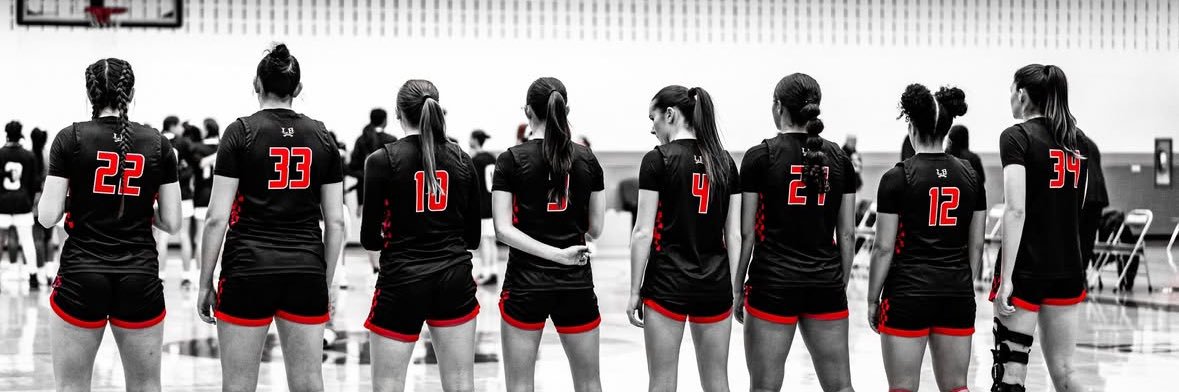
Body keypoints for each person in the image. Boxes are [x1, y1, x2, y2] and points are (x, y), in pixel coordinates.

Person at [195, 43, 346, 392]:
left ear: (256, 84)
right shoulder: (322, 136)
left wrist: (205, 282)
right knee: (309, 383)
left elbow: (216, 217)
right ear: (298, 88)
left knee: (238, 384)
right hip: (305, 268)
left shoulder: (239, 132)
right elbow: (336, 222)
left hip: (247, 267)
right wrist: (324, 282)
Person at [38, 57, 182, 391]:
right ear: (131, 93)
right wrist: (138, 204)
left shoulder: (69, 138)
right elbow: (172, 222)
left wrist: (84, 198)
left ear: (89, 93)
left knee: (72, 387)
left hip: (81, 273)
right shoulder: (158, 143)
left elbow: (47, 217)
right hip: (139, 274)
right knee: (146, 386)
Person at [732, 73, 857, 392]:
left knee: (764, 388)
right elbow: (847, 235)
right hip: (825, 282)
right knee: (841, 387)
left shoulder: (759, 157)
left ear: (778, 106)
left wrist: (737, 288)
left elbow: (747, 234)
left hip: (772, 284)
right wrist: (839, 283)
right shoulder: (840, 159)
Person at [361, 79, 481, 392]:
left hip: (402, 279)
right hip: (454, 278)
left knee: (388, 385)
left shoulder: (380, 160)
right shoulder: (463, 159)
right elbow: (473, 238)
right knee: (460, 383)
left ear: (398, 113)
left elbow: (369, 238)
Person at [866, 84, 984, 392]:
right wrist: (963, 284)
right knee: (957, 387)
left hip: (907, 294)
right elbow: (976, 244)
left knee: (902, 387)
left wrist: (872, 299)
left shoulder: (895, 178)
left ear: (911, 128)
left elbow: (883, 248)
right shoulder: (971, 176)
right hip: (956, 292)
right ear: (946, 130)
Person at [493, 77, 605, 392]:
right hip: (575, 281)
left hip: (525, 283)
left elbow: (502, 229)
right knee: (589, 383)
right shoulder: (587, 158)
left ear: (527, 111)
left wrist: (553, 253)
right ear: (565, 110)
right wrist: (563, 248)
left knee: (520, 385)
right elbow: (596, 229)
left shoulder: (511, 159)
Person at [627, 85, 741, 392]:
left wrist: (634, 291)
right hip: (715, 284)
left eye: (653, 118)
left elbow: (642, 232)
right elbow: (733, 234)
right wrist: (732, 287)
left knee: (662, 383)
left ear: (670, 114)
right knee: (717, 382)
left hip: (667, 283)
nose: (652, 128)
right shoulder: (725, 162)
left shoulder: (657, 160)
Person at [989, 64, 1089, 392]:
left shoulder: (1016, 137)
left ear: (1021, 94)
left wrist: (1006, 278)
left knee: (1010, 375)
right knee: (1065, 371)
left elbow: (1015, 210)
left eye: (1011, 90)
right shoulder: (1078, 141)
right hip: (1068, 267)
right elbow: (1079, 207)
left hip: (1027, 269)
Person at [351, 108, 397, 275]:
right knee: (388, 226)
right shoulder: (392, 140)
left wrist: (366, 176)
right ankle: (385, 263)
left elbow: (352, 167)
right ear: (385, 120)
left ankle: (375, 267)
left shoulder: (361, 140)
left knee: (370, 227)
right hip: (388, 192)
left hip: (366, 191)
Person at [1, 121, 44, 289]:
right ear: (20, 135)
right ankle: (33, 276)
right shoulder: (29, 156)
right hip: (23, 203)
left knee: (1, 241)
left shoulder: (0, 154)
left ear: (6, 134)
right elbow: (35, 183)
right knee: (27, 241)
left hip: (2, 203)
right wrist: (29, 199)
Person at [156, 115, 196, 288]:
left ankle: (160, 275)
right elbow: (192, 168)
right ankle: (186, 276)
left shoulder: (157, 140)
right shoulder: (183, 142)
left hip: (161, 195)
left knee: (162, 238)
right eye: (179, 125)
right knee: (185, 236)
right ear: (172, 126)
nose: (182, 128)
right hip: (183, 195)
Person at [190, 118, 219, 289]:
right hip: (220, 196)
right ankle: (216, 271)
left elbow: (199, 165)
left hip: (202, 196)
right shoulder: (224, 146)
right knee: (220, 237)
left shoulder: (197, 147)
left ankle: (200, 273)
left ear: (207, 129)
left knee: (200, 237)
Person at [469, 129, 499, 285]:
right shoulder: (491, 158)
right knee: (491, 241)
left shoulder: (476, 160)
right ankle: (493, 271)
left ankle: (487, 273)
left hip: (483, 205)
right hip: (493, 204)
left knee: (485, 241)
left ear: (475, 140)